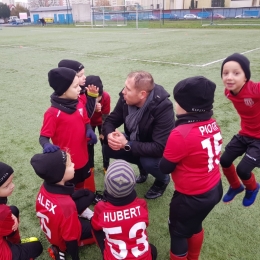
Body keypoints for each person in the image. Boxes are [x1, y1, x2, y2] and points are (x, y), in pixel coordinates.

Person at [159, 76, 223, 260]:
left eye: (177, 101)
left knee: (178, 232)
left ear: (185, 105)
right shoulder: (213, 124)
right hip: (214, 188)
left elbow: (164, 167)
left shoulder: (181, 133)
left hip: (191, 197)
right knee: (195, 225)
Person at [102, 71, 174, 199]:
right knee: (108, 147)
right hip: (136, 140)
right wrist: (109, 136)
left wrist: (127, 144)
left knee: (148, 161)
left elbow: (160, 147)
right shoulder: (125, 98)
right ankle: (143, 168)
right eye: (125, 87)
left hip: (158, 150)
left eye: (128, 89)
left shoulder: (163, 107)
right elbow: (111, 121)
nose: (123, 91)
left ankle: (163, 179)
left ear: (142, 94)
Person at [39, 67, 97, 190]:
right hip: (68, 164)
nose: (80, 89)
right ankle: (73, 208)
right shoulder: (52, 113)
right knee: (70, 189)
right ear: (64, 90)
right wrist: (46, 145)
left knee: (81, 183)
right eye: (75, 87)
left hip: (84, 157)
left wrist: (89, 129)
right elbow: (43, 137)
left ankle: (81, 208)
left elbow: (86, 121)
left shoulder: (79, 103)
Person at [31, 150, 96, 260]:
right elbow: (71, 238)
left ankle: (59, 246)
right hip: (62, 239)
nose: (73, 165)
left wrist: (84, 193)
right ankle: (60, 250)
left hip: (54, 228)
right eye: (70, 165)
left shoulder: (45, 187)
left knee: (89, 195)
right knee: (101, 229)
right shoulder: (66, 206)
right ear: (60, 174)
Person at [91, 159, 157, 260]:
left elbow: (95, 228)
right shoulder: (141, 204)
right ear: (133, 185)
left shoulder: (101, 208)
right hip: (142, 256)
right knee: (153, 250)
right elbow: (145, 224)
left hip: (114, 256)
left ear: (106, 185)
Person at [220, 53, 260, 207]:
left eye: (236, 73)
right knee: (224, 160)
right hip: (245, 134)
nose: (229, 77)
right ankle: (236, 186)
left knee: (243, 170)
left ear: (245, 77)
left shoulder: (255, 89)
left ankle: (253, 188)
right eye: (225, 73)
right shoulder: (228, 92)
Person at [0, 161, 43, 260]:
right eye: (6, 186)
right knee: (37, 247)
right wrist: (10, 218)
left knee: (13, 210)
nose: (13, 186)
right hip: (3, 255)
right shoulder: (2, 212)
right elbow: (11, 226)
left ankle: (16, 243)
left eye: (11, 181)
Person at [85, 75, 111, 175]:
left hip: (102, 122)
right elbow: (84, 115)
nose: (97, 100)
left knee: (105, 143)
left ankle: (106, 166)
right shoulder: (83, 98)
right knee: (88, 144)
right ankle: (90, 166)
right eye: (94, 98)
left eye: (98, 98)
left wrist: (103, 132)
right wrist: (92, 108)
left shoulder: (106, 96)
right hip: (88, 122)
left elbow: (105, 116)